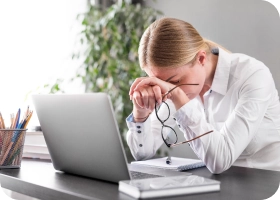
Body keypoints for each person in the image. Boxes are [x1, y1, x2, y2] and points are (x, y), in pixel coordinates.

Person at [126, 17, 280, 173]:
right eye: (158, 82)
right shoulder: (178, 86)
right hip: (219, 187)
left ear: (201, 58)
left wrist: (181, 100)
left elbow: (220, 160)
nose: (167, 90)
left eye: (174, 81)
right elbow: (143, 154)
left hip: (268, 185)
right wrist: (141, 114)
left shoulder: (252, 76)